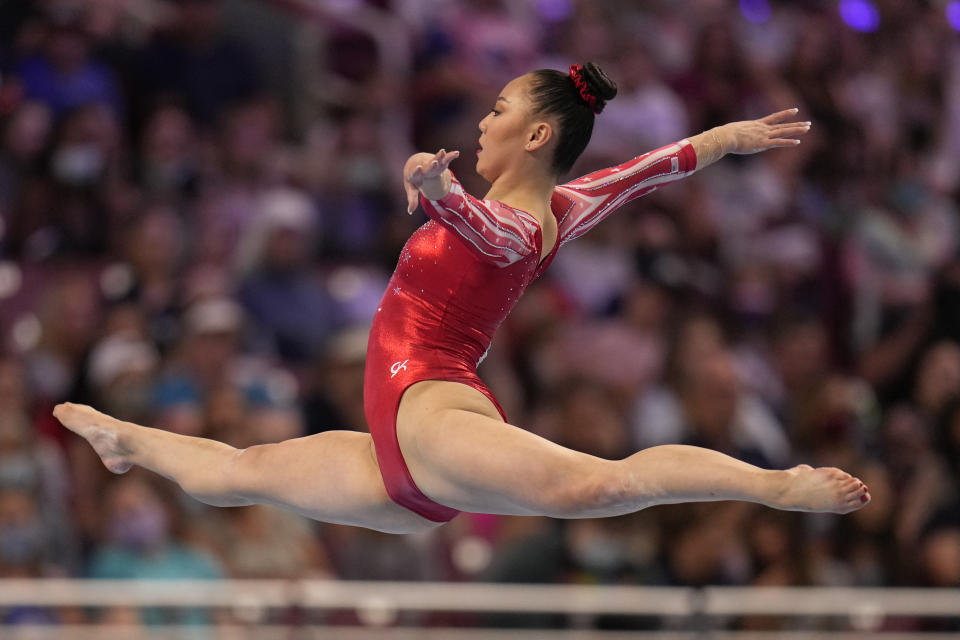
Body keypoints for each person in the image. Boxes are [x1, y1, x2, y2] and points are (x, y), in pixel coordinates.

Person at [54, 63, 870, 535]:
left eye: (499, 110)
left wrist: (432, 183)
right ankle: (126, 442)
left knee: (600, 487)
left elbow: (479, 225)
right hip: (403, 461)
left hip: (433, 413)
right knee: (243, 470)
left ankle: (776, 485)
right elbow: (648, 169)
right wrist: (723, 140)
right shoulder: (570, 203)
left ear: (538, 135)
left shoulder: (520, 225)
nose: (485, 122)